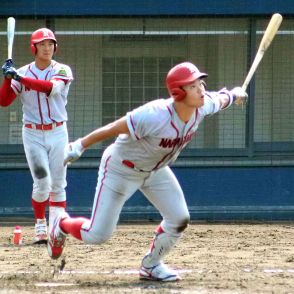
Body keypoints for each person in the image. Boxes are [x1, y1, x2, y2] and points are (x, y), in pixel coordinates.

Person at [47, 61, 247, 281]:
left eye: (201, 83)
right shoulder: (154, 115)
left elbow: (221, 98)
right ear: (178, 92)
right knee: (98, 234)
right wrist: (80, 145)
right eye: (192, 86)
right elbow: (114, 127)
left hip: (155, 170)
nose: (201, 89)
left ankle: (151, 266)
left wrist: (235, 93)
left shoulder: (202, 106)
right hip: (121, 170)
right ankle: (61, 223)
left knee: (179, 218)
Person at [0, 28, 73, 243]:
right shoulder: (21, 72)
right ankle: (41, 224)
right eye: (42, 44)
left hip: (58, 131)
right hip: (32, 133)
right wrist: (7, 78)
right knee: (42, 182)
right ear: (34, 47)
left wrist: (18, 76)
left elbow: (51, 89)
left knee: (58, 183)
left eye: (50, 44)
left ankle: (56, 228)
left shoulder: (62, 69)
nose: (47, 48)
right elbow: (4, 101)